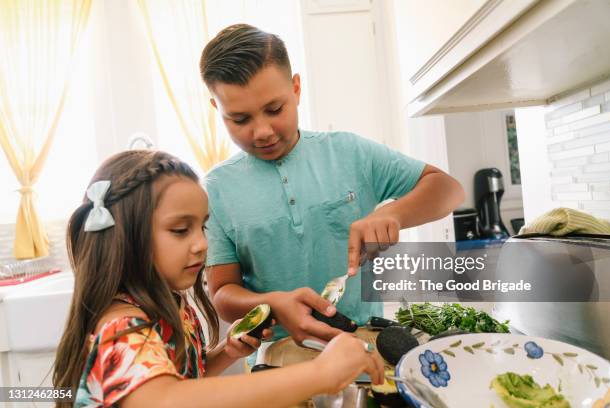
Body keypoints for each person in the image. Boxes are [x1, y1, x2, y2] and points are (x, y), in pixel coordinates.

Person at [200, 24, 465, 359]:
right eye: (239, 119)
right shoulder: (215, 190)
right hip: (274, 364)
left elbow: (449, 189)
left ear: (296, 89)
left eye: (274, 109)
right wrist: (275, 305)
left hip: (363, 349)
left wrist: (392, 212)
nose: (262, 132)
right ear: (216, 109)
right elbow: (223, 293)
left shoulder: (350, 153)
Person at [53, 150, 384, 408]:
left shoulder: (170, 304)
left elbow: (184, 382)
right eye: (181, 230)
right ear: (126, 237)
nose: (201, 244)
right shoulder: (122, 329)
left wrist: (226, 352)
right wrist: (320, 374)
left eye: (202, 227)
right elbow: (165, 400)